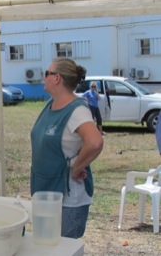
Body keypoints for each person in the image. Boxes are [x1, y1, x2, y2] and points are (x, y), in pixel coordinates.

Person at [30, 57, 104, 239]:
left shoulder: (78, 110)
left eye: (46, 74)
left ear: (57, 78)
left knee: (64, 249)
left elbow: (95, 142)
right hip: (46, 193)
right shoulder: (50, 104)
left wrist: (77, 167)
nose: (43, 78)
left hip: (68, 201)